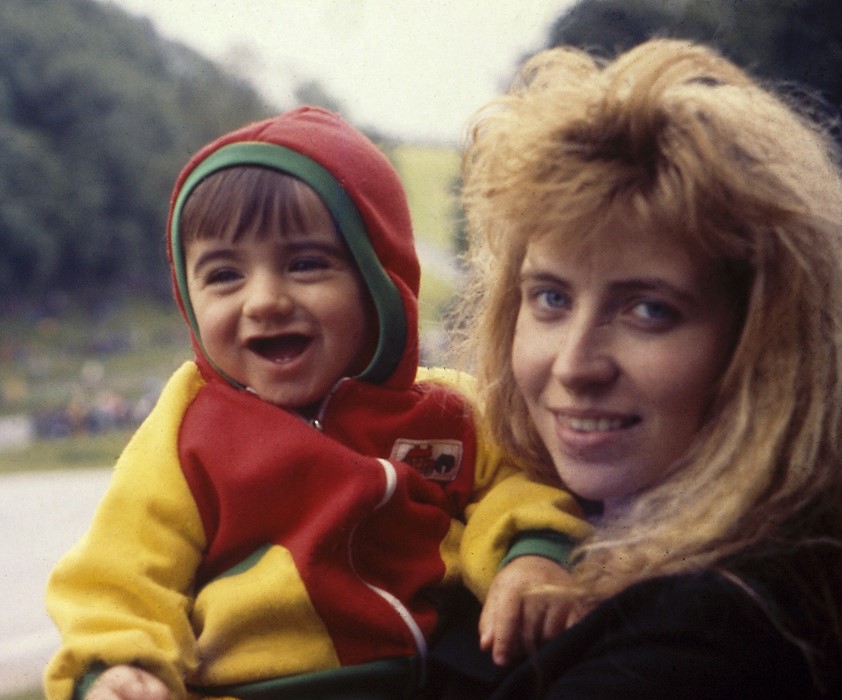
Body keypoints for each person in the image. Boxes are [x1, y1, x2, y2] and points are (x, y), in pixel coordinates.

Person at [43, 106, 591, 700]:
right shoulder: (189, 427)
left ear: (379, 280)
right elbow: (123, 570)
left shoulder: (447, 412)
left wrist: (532, 554)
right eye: (225, 275)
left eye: (306, 264)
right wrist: (119, 667)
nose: (265, 300)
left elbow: (516, 480)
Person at [426, 39, 842, 699]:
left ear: (766, 345)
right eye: (552, 298)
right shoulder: (526, 511)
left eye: (649, 310)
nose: (574, 363)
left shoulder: (713, 636)